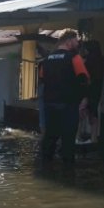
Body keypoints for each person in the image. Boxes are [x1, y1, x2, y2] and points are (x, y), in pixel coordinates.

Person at [39, 29, 90, 165]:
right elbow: (84, 79)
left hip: (50, 105)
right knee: (68, 142)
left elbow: (43, 80)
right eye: (76, 41)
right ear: (69, 41)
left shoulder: (47, 59)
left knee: (49, 139)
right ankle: (68, 174)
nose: (77, 44)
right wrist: (84, 99)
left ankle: (45, 171)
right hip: (68, 105)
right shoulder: (74, 58)